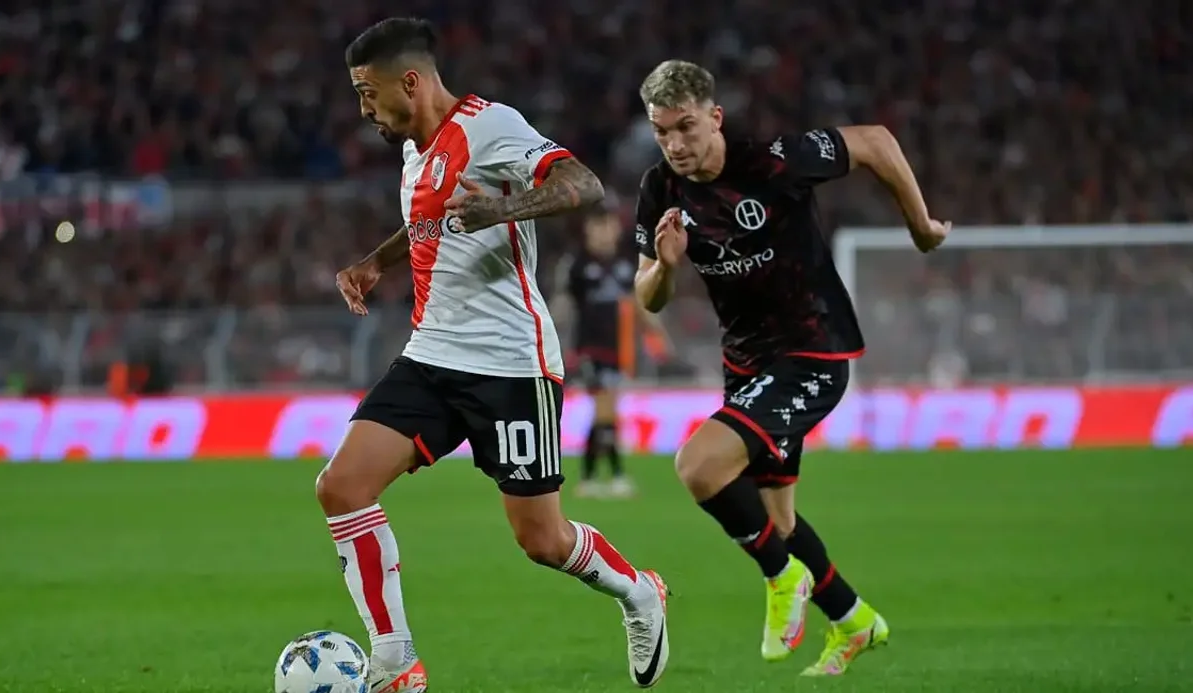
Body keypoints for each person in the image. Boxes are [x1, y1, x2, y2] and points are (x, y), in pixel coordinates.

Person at [318, 18, 671, 693]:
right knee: (341, 486)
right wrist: (376, 262)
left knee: (542, 539)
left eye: (367, 92)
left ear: (410, 82)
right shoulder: (415, 152)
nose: (363, 109)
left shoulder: (490, 126)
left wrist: (505, 210)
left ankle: (638, 591)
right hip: (432, 353)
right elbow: (428, 222)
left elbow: (584, 185)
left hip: (511, 363)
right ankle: (395, 661)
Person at [631, 59, 949, 677]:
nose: (675, 144)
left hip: (812, 350)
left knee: (699, 466)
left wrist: (920, 226)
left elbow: (876, 142)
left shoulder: (774, 161)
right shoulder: (660, 189)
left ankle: (781, 577)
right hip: (746, 362)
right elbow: (650, 298)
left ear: (715, 118)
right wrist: (665, 266)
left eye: (686, 127)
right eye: (661, 131)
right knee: (776, 519)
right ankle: (853, 619)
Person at [550, 203, 670, 499]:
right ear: (588, 230)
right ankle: (608, 476)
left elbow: (639, 304)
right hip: (590, 349)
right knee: (606, 410)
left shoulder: (625, 265)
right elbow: (561, 305)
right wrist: (550, 337)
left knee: (606, 414)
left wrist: (658, 336)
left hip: (619, 350)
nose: (604, 233)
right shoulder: (577, 264)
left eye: (609, 226)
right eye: (598, 226)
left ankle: (594, 477)